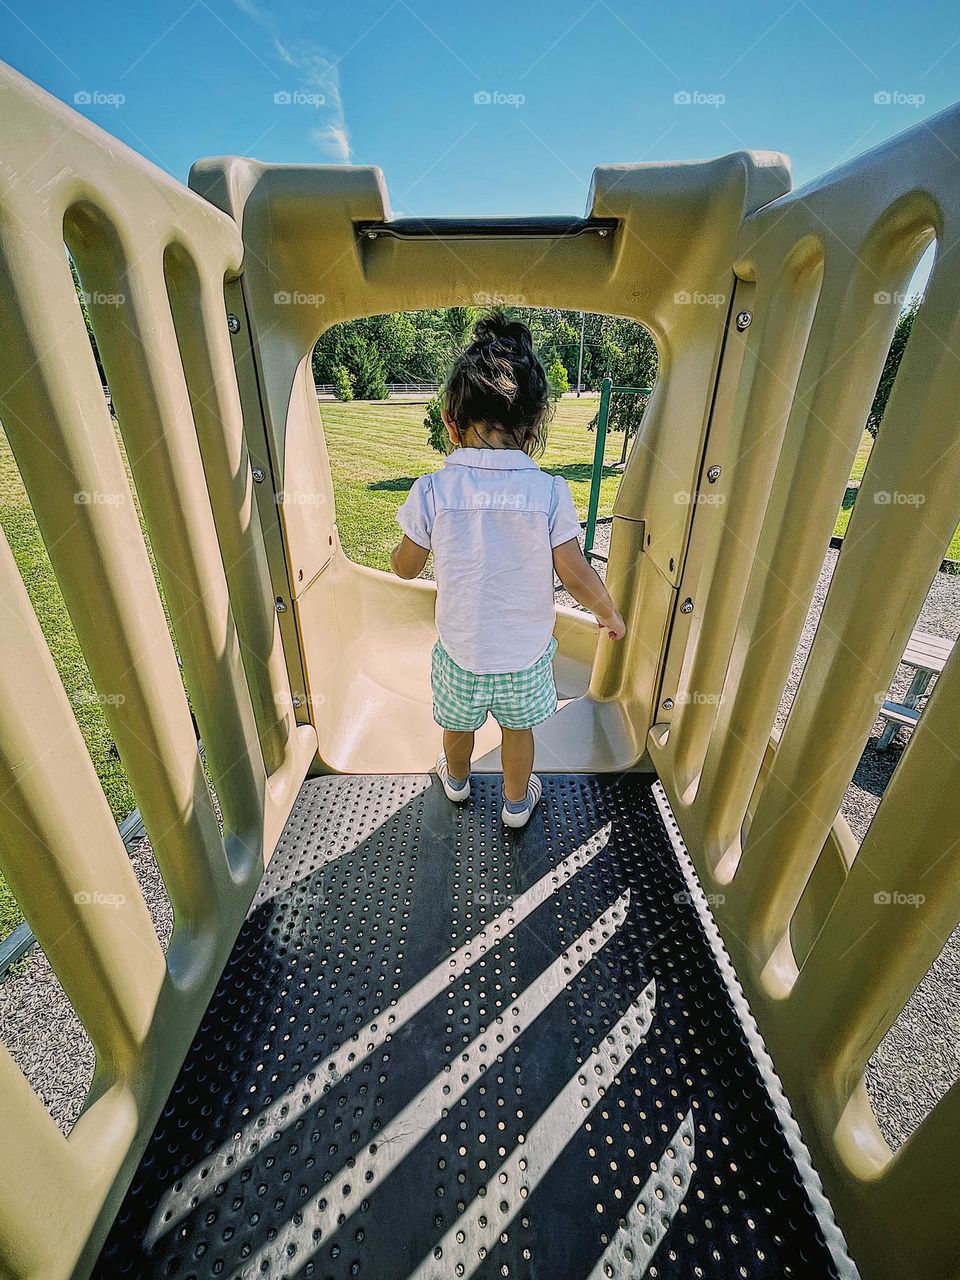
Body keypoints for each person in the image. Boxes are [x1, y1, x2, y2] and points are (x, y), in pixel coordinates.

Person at [391, 313, 626, 828]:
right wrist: (608, 612)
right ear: (534, 424)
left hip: (460, 653)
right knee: (519, 732)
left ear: (451, 424)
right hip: (523, 658)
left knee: (457, 725)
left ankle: (455, 783)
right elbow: (574, 572)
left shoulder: (433, 491)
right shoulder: (548, 493)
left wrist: (406, 549)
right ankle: (517, 805)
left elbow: (406, 569)